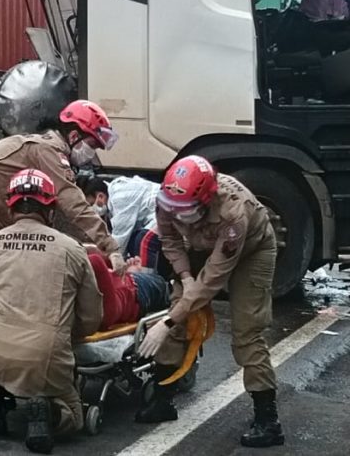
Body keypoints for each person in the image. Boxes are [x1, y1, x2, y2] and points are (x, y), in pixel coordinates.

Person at [0, 99, 125, 404]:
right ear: (75, 134)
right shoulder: (48, 151)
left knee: (6, 290)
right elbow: (73, 203)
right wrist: (110, 246)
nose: (94, 152)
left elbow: (58, 215)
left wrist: (93, 246)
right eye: (93, 143)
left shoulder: (46, 154)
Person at [135, 155, 283, 448]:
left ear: (205, 199)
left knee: (247, 331)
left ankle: (268, 419)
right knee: (179, 311)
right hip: (200, 245)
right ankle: (164, 399)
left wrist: (165, 322)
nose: (175, 214)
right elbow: (171, 241)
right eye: (171, 209)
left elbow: (213, 280)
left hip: (251, 250)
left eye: (183, 210)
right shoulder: (169, 198)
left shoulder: (233, 214)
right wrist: (185, 275)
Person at [0, 169, 102, 453]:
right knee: (75, 419)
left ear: (11, 205)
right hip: (44, 355)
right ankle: (51, 412)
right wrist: (68, 333)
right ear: (50, 208)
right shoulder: (71, 250)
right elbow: (91, 317)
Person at [81, 176, 166, 274]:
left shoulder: (120, 197)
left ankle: (148, 281)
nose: (92, 210)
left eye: (91, 204)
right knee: (134, 242)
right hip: (154, 217)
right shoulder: (114, 194)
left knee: (143, 240)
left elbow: (119, 243)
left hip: (163, 214)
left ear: (100, 196)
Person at [86, 253, 169, 329]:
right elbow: (95, 260)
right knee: (171, 290)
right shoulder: (105, 313)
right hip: (138, 290)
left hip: (126, 279)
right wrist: (112, 254)